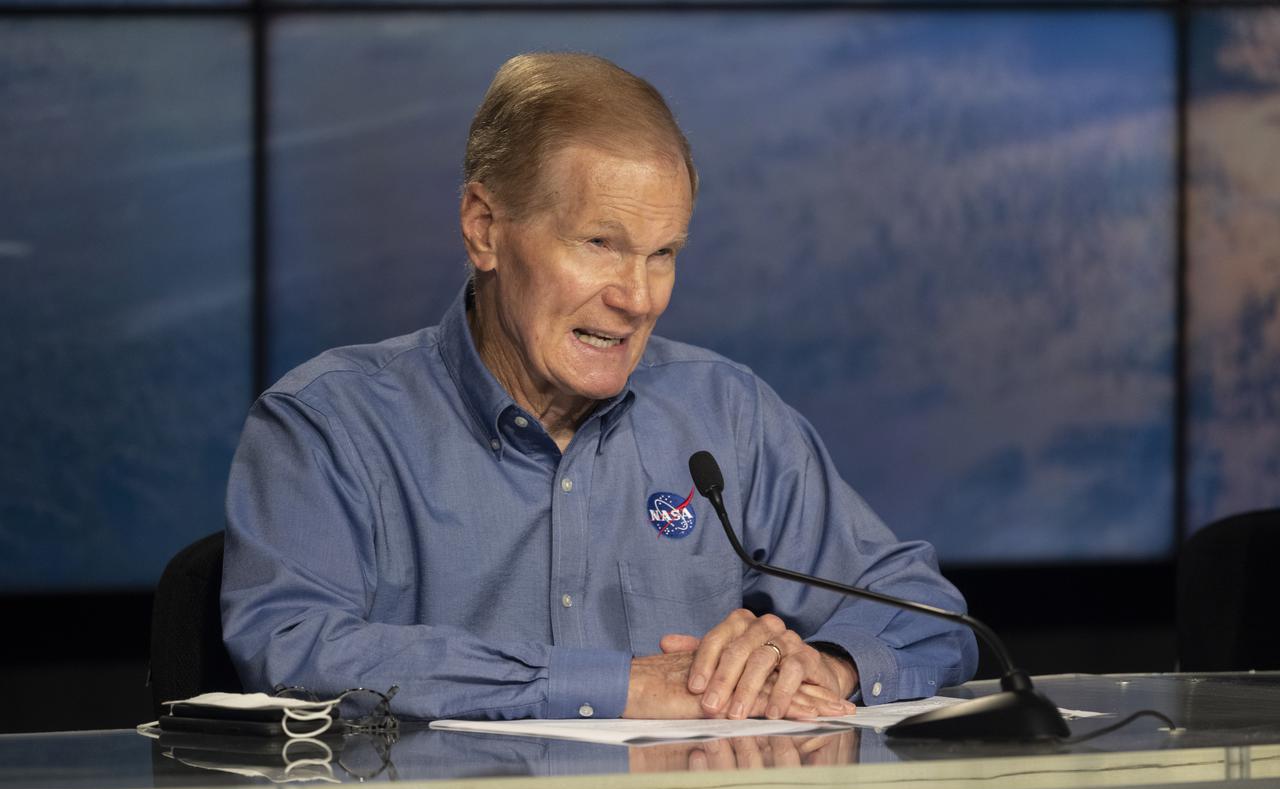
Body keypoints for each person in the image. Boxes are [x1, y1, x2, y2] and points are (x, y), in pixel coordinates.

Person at [221, 53, 978, 723]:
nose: (638, 297)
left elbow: (931, 617)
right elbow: (293, 651)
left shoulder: (728, 416)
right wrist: (617, 685)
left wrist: (828, 664)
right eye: (600, 244)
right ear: (484, 228)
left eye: (662, 254)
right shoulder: (328, 425)